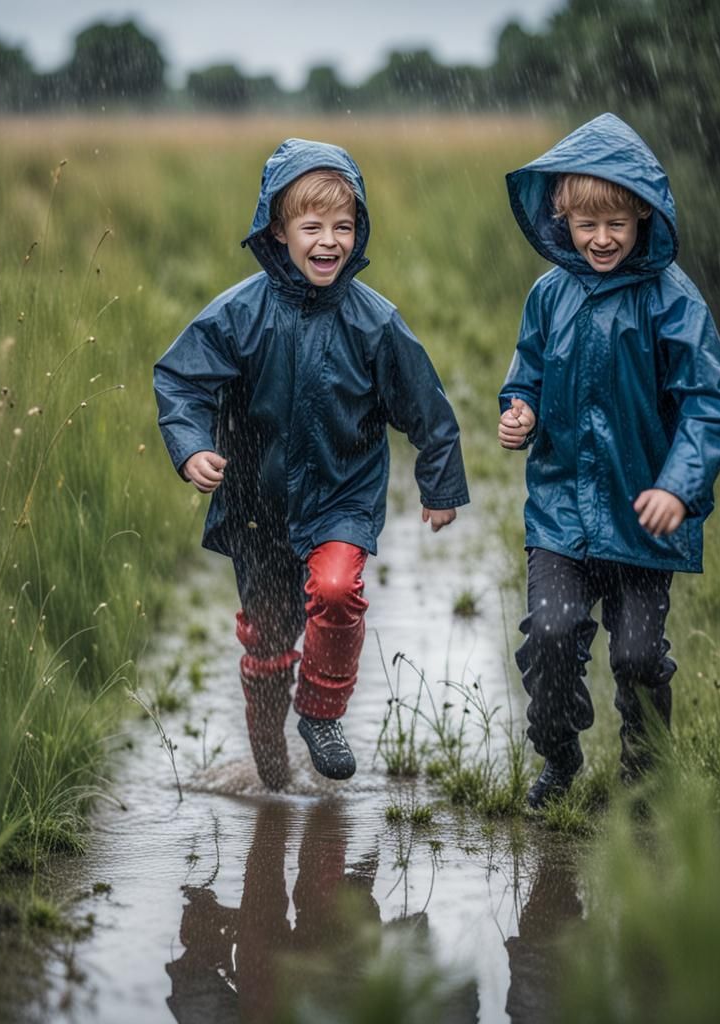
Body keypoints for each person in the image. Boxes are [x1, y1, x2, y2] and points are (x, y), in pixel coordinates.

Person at [155, 138, 469, 789]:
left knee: (335, 591)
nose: (330, 241)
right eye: (313, 226)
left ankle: (320, 713)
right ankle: (268, 754)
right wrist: (191, 448)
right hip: (257, 505)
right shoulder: (241, 313)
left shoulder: (374, 323)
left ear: (359, 231)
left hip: (341, 497)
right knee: (266, 644)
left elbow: (426, 408)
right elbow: (181, 381)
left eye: (344, 226)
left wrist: (440, 483)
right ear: (278, 229)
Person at [498, 113, 720, 808]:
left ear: (642, 217)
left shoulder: (673, 300)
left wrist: (677, 485)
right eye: (586, 224)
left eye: (616, 225)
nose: (601, 239)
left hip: (645, 519)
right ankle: (559, 755)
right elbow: (528, 372)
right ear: (561, 219)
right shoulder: (549, 294)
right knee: (549, 636)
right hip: (561, 512)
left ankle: (644, 777)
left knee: (636, 655)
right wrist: (521, 409)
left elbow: (712, 404)